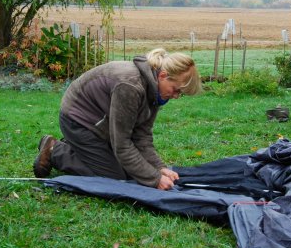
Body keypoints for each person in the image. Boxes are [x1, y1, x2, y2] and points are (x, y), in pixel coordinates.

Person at [33, 48, 202, 189]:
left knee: (133, 170)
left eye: (180, 94)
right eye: (176, 90)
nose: (176, 96)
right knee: (116, 177)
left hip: (101, 122)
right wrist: (154, 179)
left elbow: (141, 135)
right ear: (163, 75)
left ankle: (77, 146)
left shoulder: (154, 89)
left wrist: (159, 168)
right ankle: (56, 151)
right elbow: (121, 144)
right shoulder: (130, 86)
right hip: (78, 121)